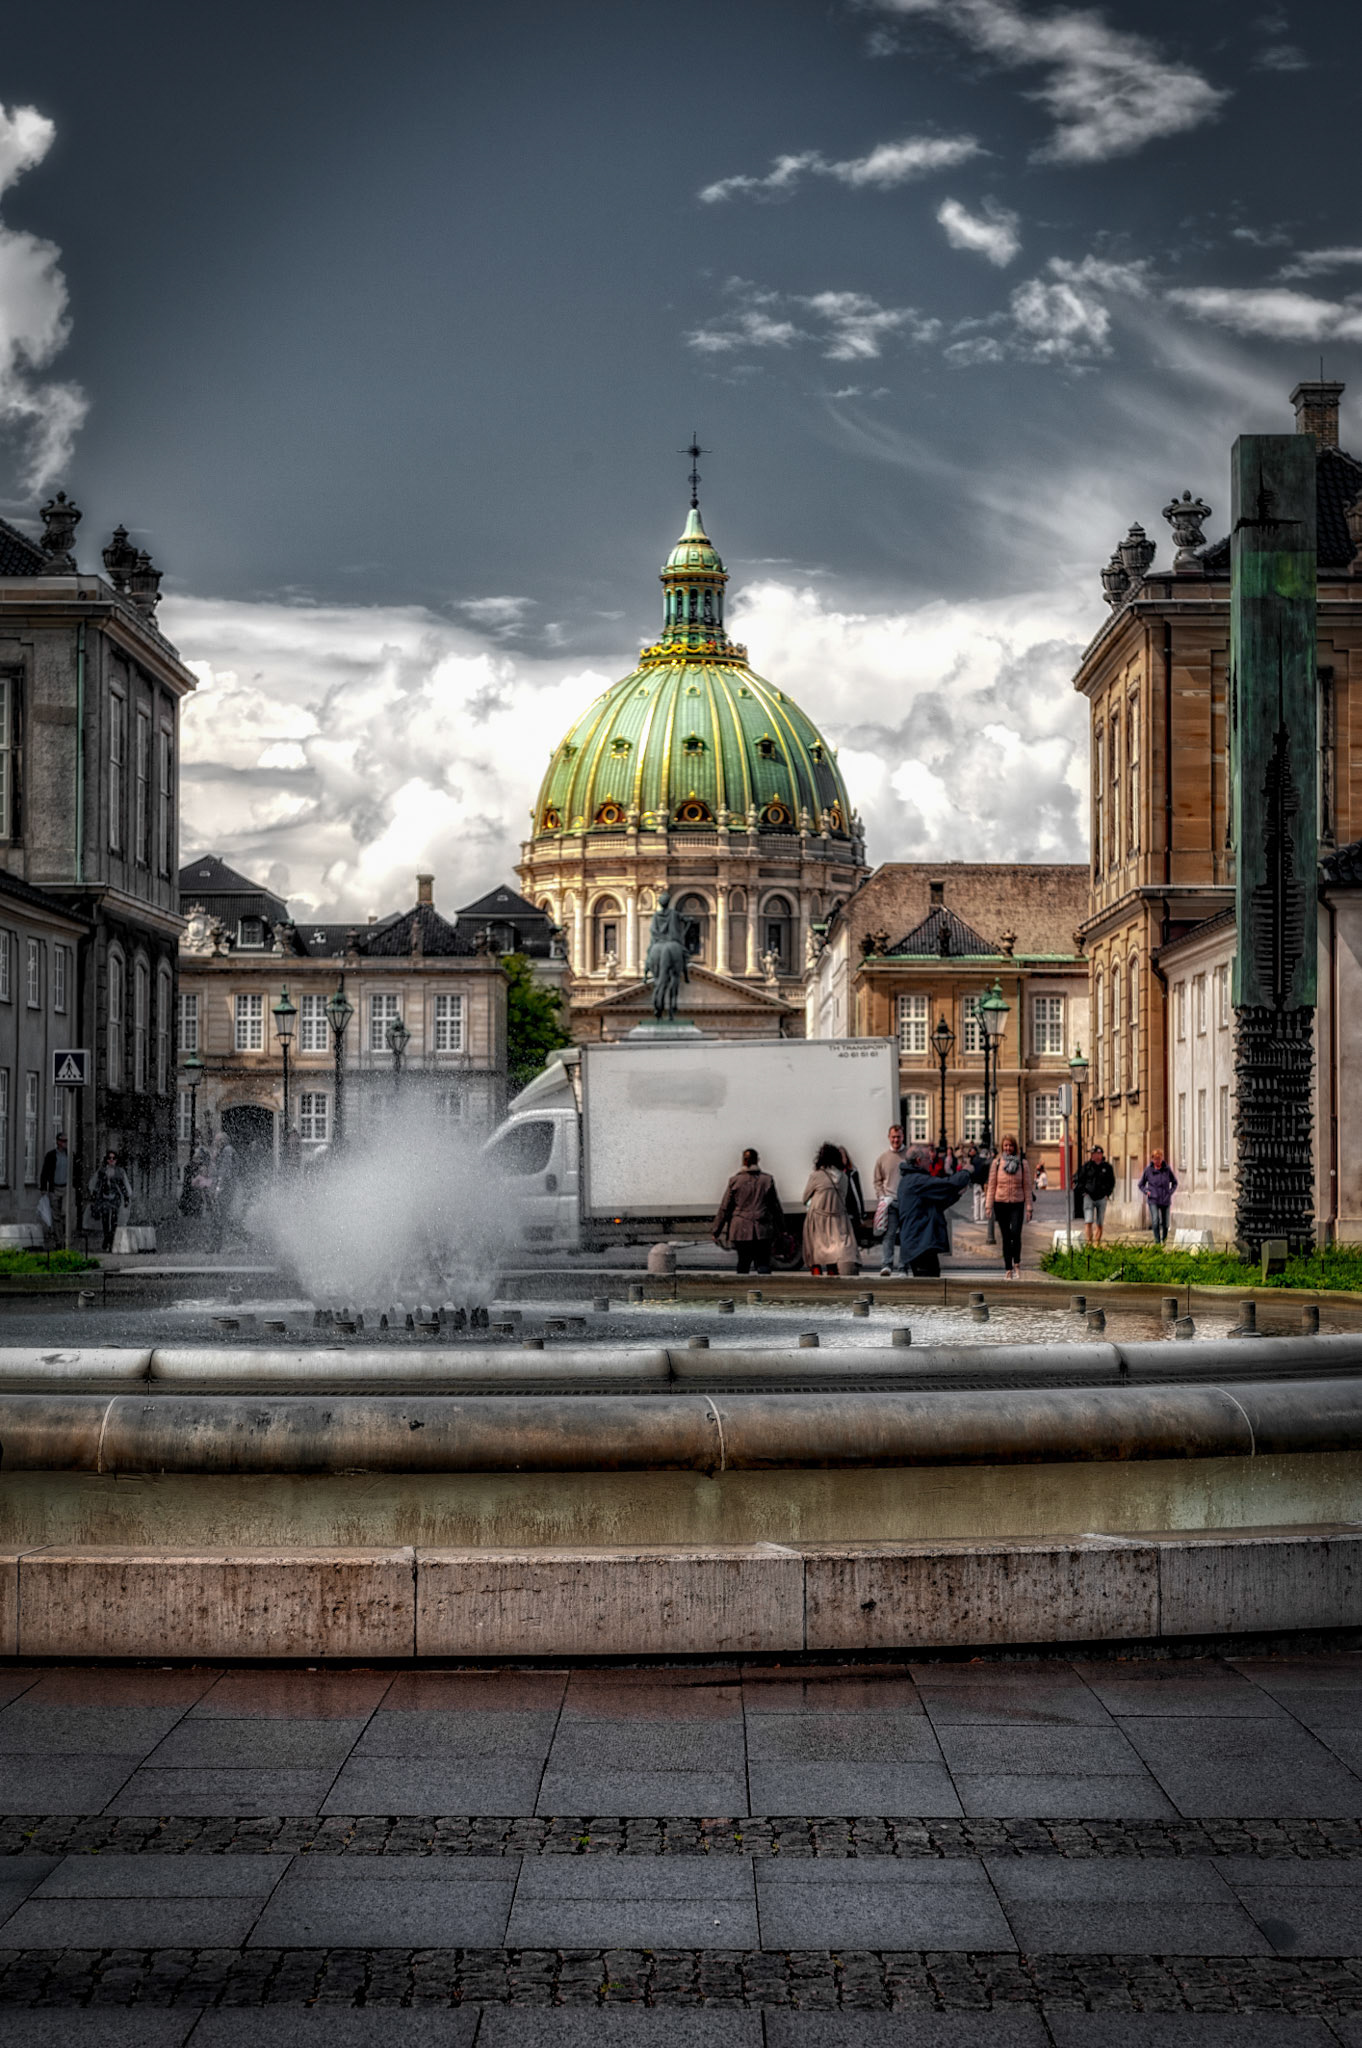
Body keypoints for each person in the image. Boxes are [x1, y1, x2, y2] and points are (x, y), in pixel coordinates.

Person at [893, 1144, 973, 1277]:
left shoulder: (911, 1179)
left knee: (931, 1280)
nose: (931, 1161)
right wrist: (966, 1171)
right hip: (920, 1243)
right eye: (927, 1158)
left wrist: (956, 1194)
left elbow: (936, 1205)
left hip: (921, 1243)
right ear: (919, 1160)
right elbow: (948, 1184)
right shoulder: (916, 1180)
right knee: (928, 1284)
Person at [712, 1147, 783, 1276]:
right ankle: (764, 1291)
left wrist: (716, 1230)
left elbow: (725, 1208)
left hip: (741, 1229)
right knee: (763, 1263)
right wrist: (782, 1228)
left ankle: (742, 1291)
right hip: (762, 1229)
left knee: (743, 1263)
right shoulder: (767, 1180)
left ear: (743, 1161)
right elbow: (775, 1207)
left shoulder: (735, 1181)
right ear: (758, 1160)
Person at [801, 1141, 859, 1276]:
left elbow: (804, 1198)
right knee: (832, 1257)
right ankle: (832, 1280)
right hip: (837, 1220)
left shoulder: (817, 1176)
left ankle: (817, 1282)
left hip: (818, 1219)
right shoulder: (844, 1177)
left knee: (815, 1256)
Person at [985, 1133, 1033, 1280]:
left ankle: (1017, 1263)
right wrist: (988, 1206)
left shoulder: (1022, 1164)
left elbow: (1027, 1187)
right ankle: (1008, 1269)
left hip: (1017, 1203)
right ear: (1002, 1147)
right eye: (1006, 1145)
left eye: (1011, 1145)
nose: (1008, 1148)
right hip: (1001, 1203)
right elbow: (992, 1185)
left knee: (1016, 1234)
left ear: (1015, 1147)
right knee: (1006, 1237)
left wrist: (1029, 1207)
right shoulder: (997, 1163)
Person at [874, 1124, 906, 1274]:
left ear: (903, 1137)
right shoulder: (883, 1158)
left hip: (907, 1203)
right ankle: (886, 1264)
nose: (896, 1140)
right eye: (893, 1137)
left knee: (906, 1236)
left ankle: (903, 1267)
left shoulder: (908, 1156)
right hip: (890, 1202)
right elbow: (877, 1180)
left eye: (898, 1137)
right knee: (889, 1235)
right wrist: (882, 1197)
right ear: (889, 1137)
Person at [88, 1149, 132, 1254]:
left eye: (113, 1158)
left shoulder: (120, 1171)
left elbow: (123, 1185)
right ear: (106, 1160)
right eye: (109, 1158)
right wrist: (94, 1195)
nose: (111, 1160)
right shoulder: (102, 1171)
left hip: (115, 1197)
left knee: (113, 1219)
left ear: (116, 1160)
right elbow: (98, 1184)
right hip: (104, 1197)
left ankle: (111, 1238)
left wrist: (126, 1197)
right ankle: (106, 1236)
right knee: (105, 1217)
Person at [1075, 1144, 1116, 1247]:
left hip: (1102, 1197)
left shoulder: (1107, 1167)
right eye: (1092, 1153)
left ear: (1100, 1154)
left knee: (1100, 1222)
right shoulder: (1087, 1166)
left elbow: (1111, 1181)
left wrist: (1108, 1193)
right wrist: (1083, 1192)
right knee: (1088, 1221)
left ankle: (1097, 1243)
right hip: (1089, 1196)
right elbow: (1079, 1180)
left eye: (1095, 1153)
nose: (1093, 1155)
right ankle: (1089, 1243)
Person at [1138, 1148, 1178, 1245]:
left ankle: (1164, 1240)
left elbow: (1175, 1182)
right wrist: (1146, 1191)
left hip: (1165, 1199)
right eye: (1155, 1159)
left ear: (1162, 1159)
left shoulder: (1167, 1170)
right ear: (1152, 1159)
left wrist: (1170, 1192)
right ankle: (1157, 1242)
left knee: (1166, 1224)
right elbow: (1141, 1184)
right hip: (1153, 1199)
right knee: (1155, 1221)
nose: (1157, 1161)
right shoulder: (1148, 1170)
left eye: (1159, 1159)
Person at [39, 1132, 70, 1248]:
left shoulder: (70, 1155)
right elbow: (45, 1172)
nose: (65, 1143)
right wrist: (43, 1188)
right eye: (63, 1141)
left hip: (66, 1188)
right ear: (57, 1142)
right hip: (54, 1188)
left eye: (66, 1141)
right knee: (56, 1216)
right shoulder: (51, 1155)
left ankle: (65, 1238)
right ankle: (59, 1241)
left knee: (65, 1214)